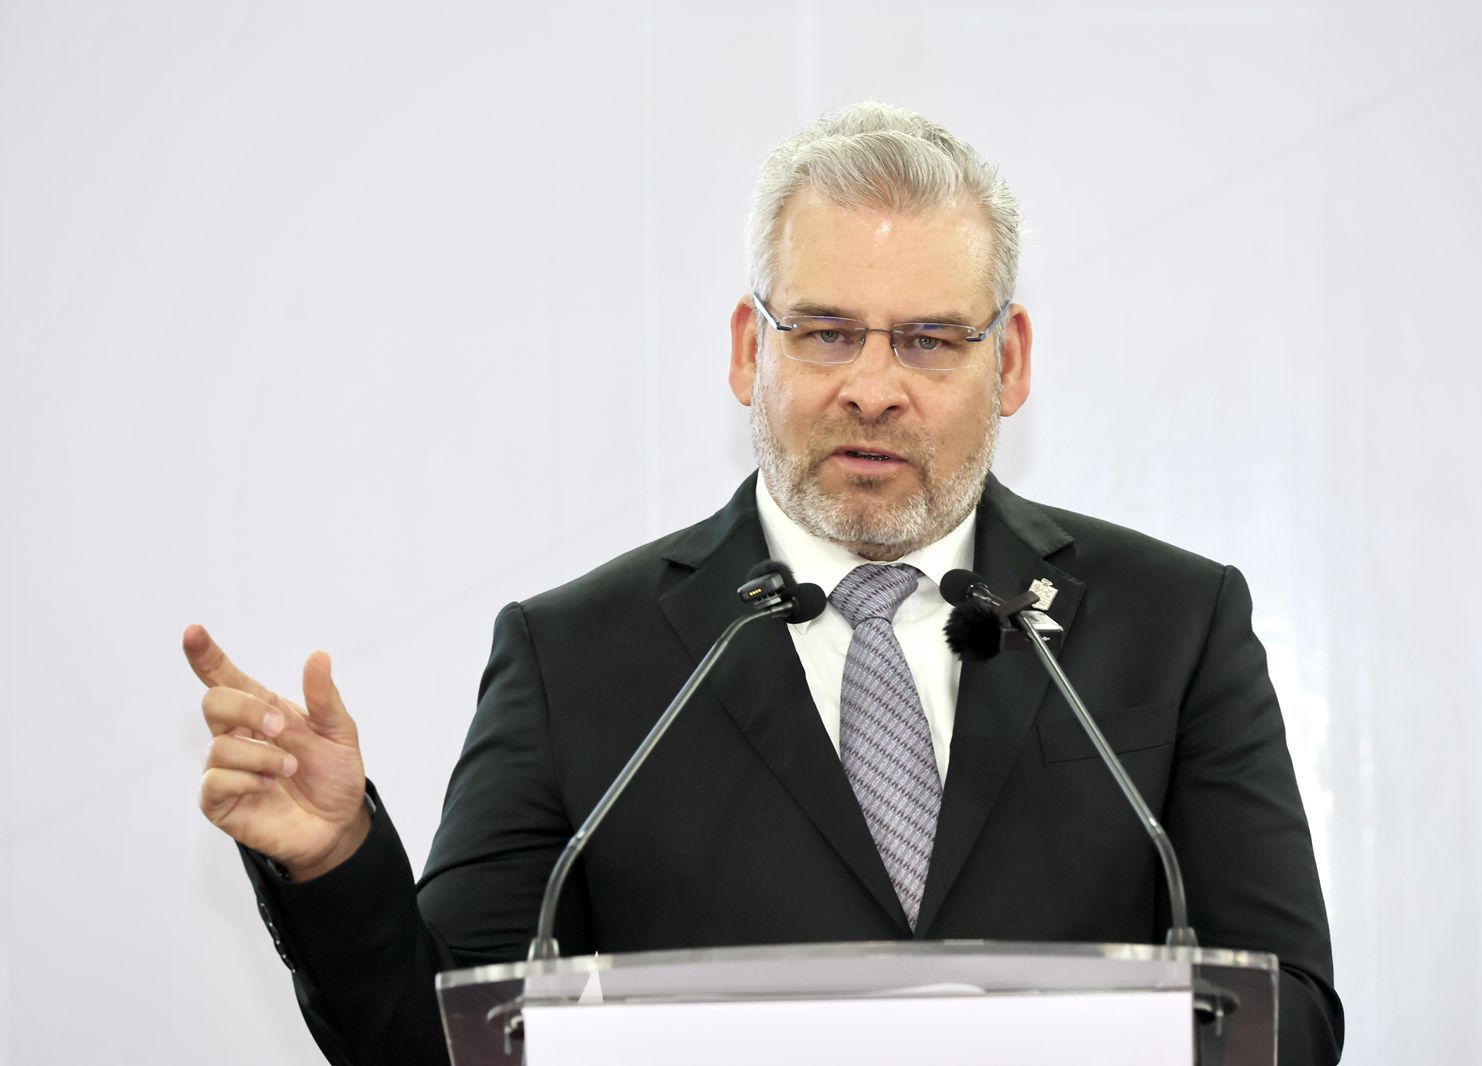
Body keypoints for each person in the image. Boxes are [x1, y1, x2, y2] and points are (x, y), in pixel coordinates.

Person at [190, 102, 1343, 1065]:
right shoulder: (576, 655)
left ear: (1010, 360)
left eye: (929, 340)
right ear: (751, 348)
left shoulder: (1172, 627)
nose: (873, 387)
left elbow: (1288, 1015)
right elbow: (448, 1042)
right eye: (826, 333)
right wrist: (334, 859)